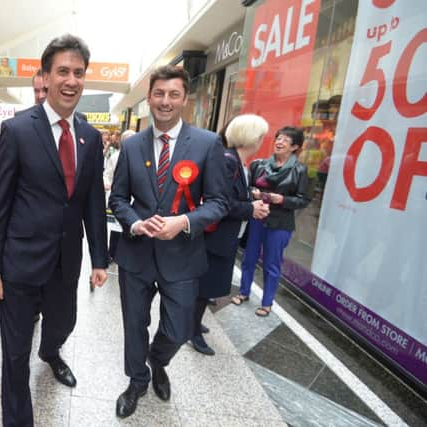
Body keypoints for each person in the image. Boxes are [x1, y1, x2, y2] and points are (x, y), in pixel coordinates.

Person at [0, 34, 108, 427]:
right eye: (63, 71)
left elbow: (91, 203)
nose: (71, 80)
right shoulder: (18, 131)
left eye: (79, 73)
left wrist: (100, 260)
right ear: (46, 78)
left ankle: (51, 353)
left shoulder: (90, 137)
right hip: (19, 265)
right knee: (14, 355)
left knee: (63, 324)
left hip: (66, 262)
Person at [109, 65, 228, 418]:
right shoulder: (131, 146)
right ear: (149, 98)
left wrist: (185, 221)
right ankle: (137, 380)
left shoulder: (207, 144)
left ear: (185, 99)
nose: (165, 101)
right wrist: (135, 223)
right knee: (134, 325)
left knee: (178, 330)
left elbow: (219, 202)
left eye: (173, 94)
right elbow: (117, 200)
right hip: (137, 256)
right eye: (159, 94)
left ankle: (158, 361)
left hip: (183, 255)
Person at [190, 114, 270, 356]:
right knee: (205, 287)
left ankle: (193, 324)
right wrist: (250, 208)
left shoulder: (238, 162)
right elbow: (220, 203)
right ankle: (190, 330)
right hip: (215, 238)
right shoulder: (228, 161)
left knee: (208, 286)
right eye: (261, 136)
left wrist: (250, 198)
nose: (262, 141)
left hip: (225, 237)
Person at [232, 126, 310, 316]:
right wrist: (254, 194)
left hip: (280, 223)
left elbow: (303, 199)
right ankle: (244, 292)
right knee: (249, 257)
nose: (279, 142)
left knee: (272, 263)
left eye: (285, 140)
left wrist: (281, 199)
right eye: (278, 138)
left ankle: (267, 303)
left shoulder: (299, 170)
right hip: (257, 217)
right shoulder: (259, 165)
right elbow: (245, 188)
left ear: (295, 147)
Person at [104, 129, 135, 264]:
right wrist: (107, 184)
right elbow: (107, 174)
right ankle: (112, 253)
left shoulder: (142, 157)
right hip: (117, 196)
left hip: (135, 199)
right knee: (116, 226)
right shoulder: (115, 157)